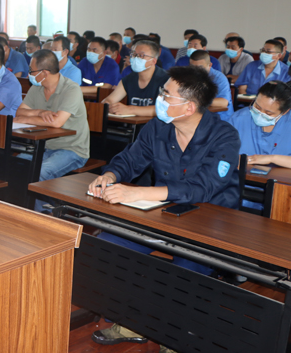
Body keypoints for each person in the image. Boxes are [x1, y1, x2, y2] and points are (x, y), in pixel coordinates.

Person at [89, 67, 241, 350]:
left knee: (185, 269)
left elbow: (203, 188)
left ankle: (175, 335)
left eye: (166, 94)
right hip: (165, 215)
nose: (159, 98)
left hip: (210, 224)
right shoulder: (159, 127)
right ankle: (130, 320)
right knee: (110, 245)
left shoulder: (224, 136)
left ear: (189, 107)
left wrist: (138, 192)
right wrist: (110, 175)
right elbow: (130, 159)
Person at [15, 50, 89, 211]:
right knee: (19, 164)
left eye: (32, 71)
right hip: (45, 146)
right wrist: (40, 112)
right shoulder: (37, 87)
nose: (29, 75)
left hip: (72, 149)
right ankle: (21, 209)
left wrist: (27, 118)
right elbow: (19, 112)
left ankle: (44, 214)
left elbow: (56, 122)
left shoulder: (71, 89)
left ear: (44, 73)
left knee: (41, 172)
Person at [230, 81, 291, 172]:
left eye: (268, 113)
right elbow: (220, 150)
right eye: (257, 107)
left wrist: (272, 158)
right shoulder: (238, 119)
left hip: (281, 180)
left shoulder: (288, 124)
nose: (260, 114)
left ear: (285, 112)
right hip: (241, 176)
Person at [103, 40, 169, 116]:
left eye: (141, 55)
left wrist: (131, 109)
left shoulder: (167, 80)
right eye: (133, 54)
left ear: (153, 61)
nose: (135, 58)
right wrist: (109, 106)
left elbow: (165, 108)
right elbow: (109, 100)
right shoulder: (128, 79)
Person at [189, 50, 233, 122]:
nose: (196, 71)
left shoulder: (219, 78)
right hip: (197, 116)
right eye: (192, 68)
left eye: (200, 68)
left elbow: (224, 103)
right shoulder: (188, 76)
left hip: (219, 119)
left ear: (209, 65)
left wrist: (198, 101)